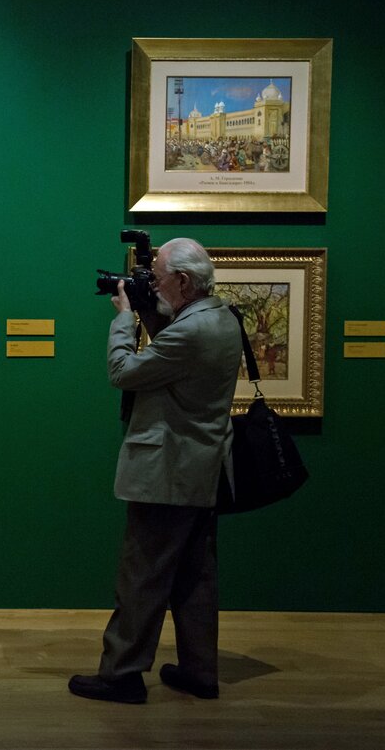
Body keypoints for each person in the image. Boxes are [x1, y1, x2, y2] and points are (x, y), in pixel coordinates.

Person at [69, 237, 240, 704]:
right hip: (200, 468)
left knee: (142, 576)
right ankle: (200, 671)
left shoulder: (192, 331)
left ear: (183, 280)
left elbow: (124, 372)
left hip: (168, 471)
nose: (152, 285)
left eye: (158, 278)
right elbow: (172, 356)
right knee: (194, 577)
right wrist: (150, 307)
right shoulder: (221, 318)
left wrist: (125, 318)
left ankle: (122, 674)